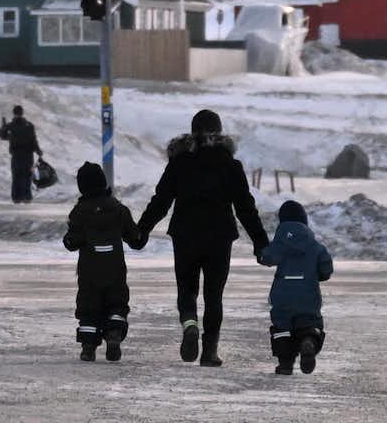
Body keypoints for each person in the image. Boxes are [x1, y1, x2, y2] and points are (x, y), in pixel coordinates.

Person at [134, 108, 269, 366]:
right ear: (219, 133)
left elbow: (161, 201)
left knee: (187, 288)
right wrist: (260, 241)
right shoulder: (230, 165)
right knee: (213, 295)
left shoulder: (179, 162)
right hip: (219, 237)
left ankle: (189, 325)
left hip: (185, 235)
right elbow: (245, 207)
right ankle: (209, 352)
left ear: (192, 131)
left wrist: (142, 230)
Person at [63, 161, 145, 361]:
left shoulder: (80, 211)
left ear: (82, 186)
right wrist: (140, 236)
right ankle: (114, 334)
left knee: (88, 307)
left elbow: (72, 242)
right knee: (116, 303)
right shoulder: (118, 209)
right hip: (115, 270)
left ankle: (88, 347)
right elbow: (135, 238)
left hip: (89, 272)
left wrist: (70, 239)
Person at [258, 199, 334, 375]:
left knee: (282, 329)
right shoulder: (315, 246)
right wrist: (319, 275)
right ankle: (308, 340)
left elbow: (267, 257)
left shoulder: (280, 243)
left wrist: (263, 253)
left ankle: (285, 364)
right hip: (308, 296)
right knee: (309, 324)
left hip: (282, 296)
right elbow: (326, 267)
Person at [0, 106, 41, 203]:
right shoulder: (29, 126)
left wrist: (3, 127)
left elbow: (3, 136)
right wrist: (38, 151)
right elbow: (33, 140)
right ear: (22, 113)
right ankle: (27, 197)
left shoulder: (11, 126)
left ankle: (16, 197)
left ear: (14, 113)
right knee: (27, 176)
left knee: (17, 176)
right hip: (28, 155)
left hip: (16, 155)